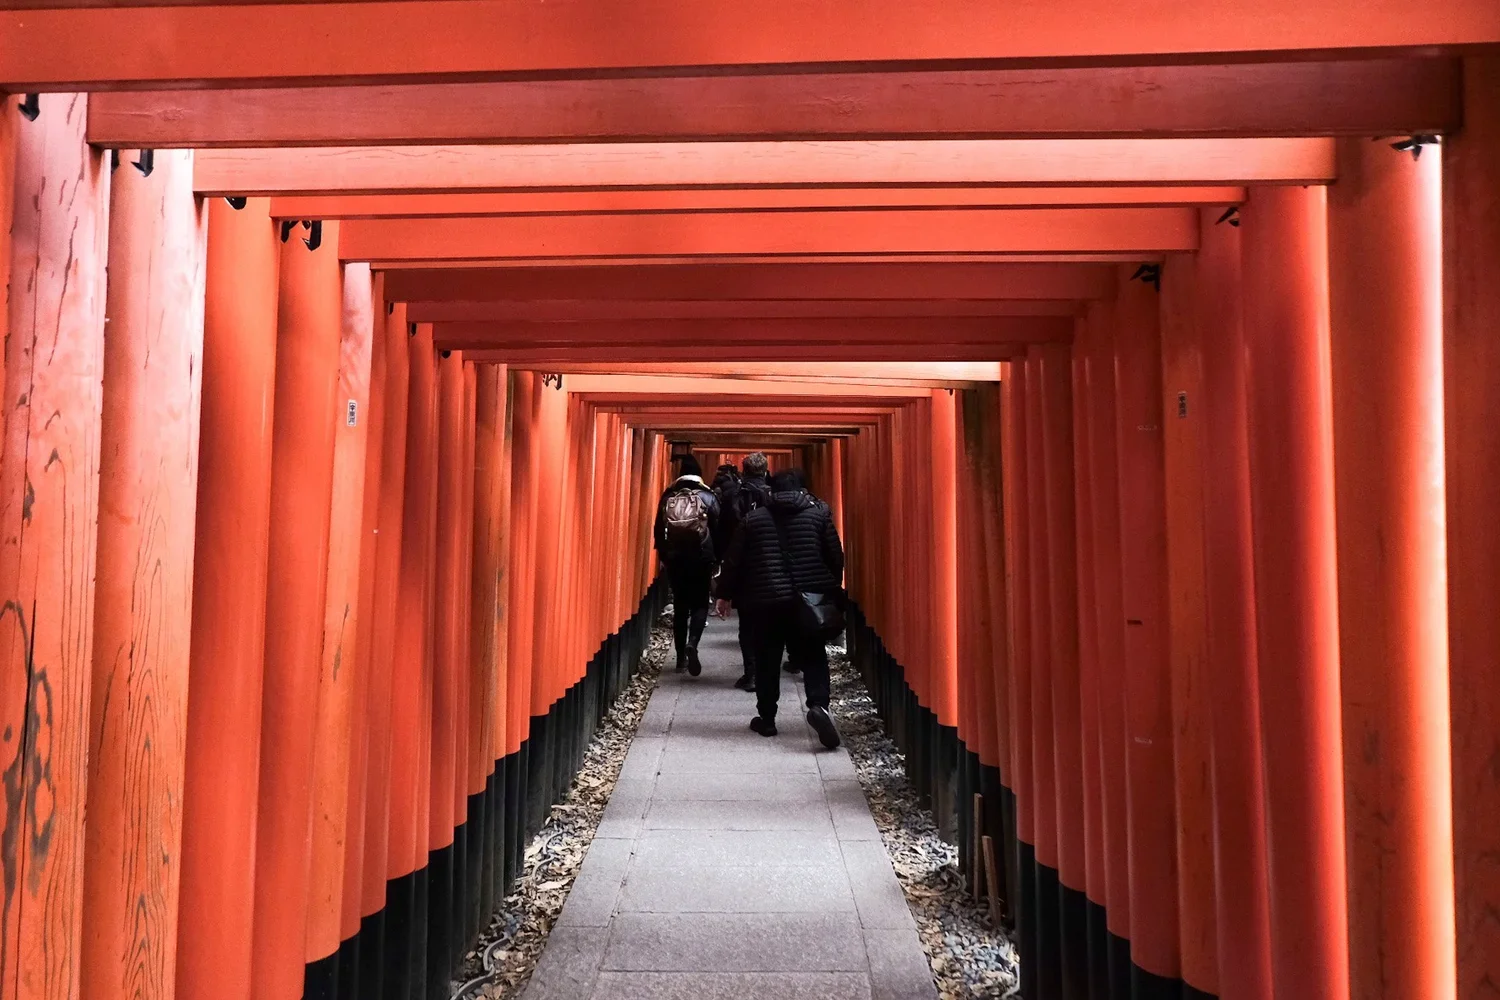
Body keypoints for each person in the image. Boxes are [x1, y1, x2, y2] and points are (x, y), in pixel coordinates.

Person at [715, 468, 845, 748]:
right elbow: (835, 555)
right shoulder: (819, 516)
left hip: (766, 602)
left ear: (770, 491)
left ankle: (768, 719)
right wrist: (829, 589)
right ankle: (819, 705)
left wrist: (724, 595)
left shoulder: (753, 520)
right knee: (813, 655)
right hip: (808, 601)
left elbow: (734, 561)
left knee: (767, 660)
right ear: (802, 490)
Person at [653, 454, 721, 676]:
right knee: (700, 603)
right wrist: (718, 559)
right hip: (702, 557)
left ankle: (680, 657)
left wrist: (664, 555)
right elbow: (719, 530)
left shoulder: (668, 496)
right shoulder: (708, 497)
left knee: (681, 606)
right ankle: (694, 642)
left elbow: (658, 530)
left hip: (676, 558)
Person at [726, 452, 773, 690]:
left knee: (746, 625)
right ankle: (767, 673)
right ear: (765, 470)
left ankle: (751, 672)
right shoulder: (774, 496)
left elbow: (727, 534)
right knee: (770, 624)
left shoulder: (735, 495)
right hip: (772, 566)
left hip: (745, 567)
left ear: (743, 471)